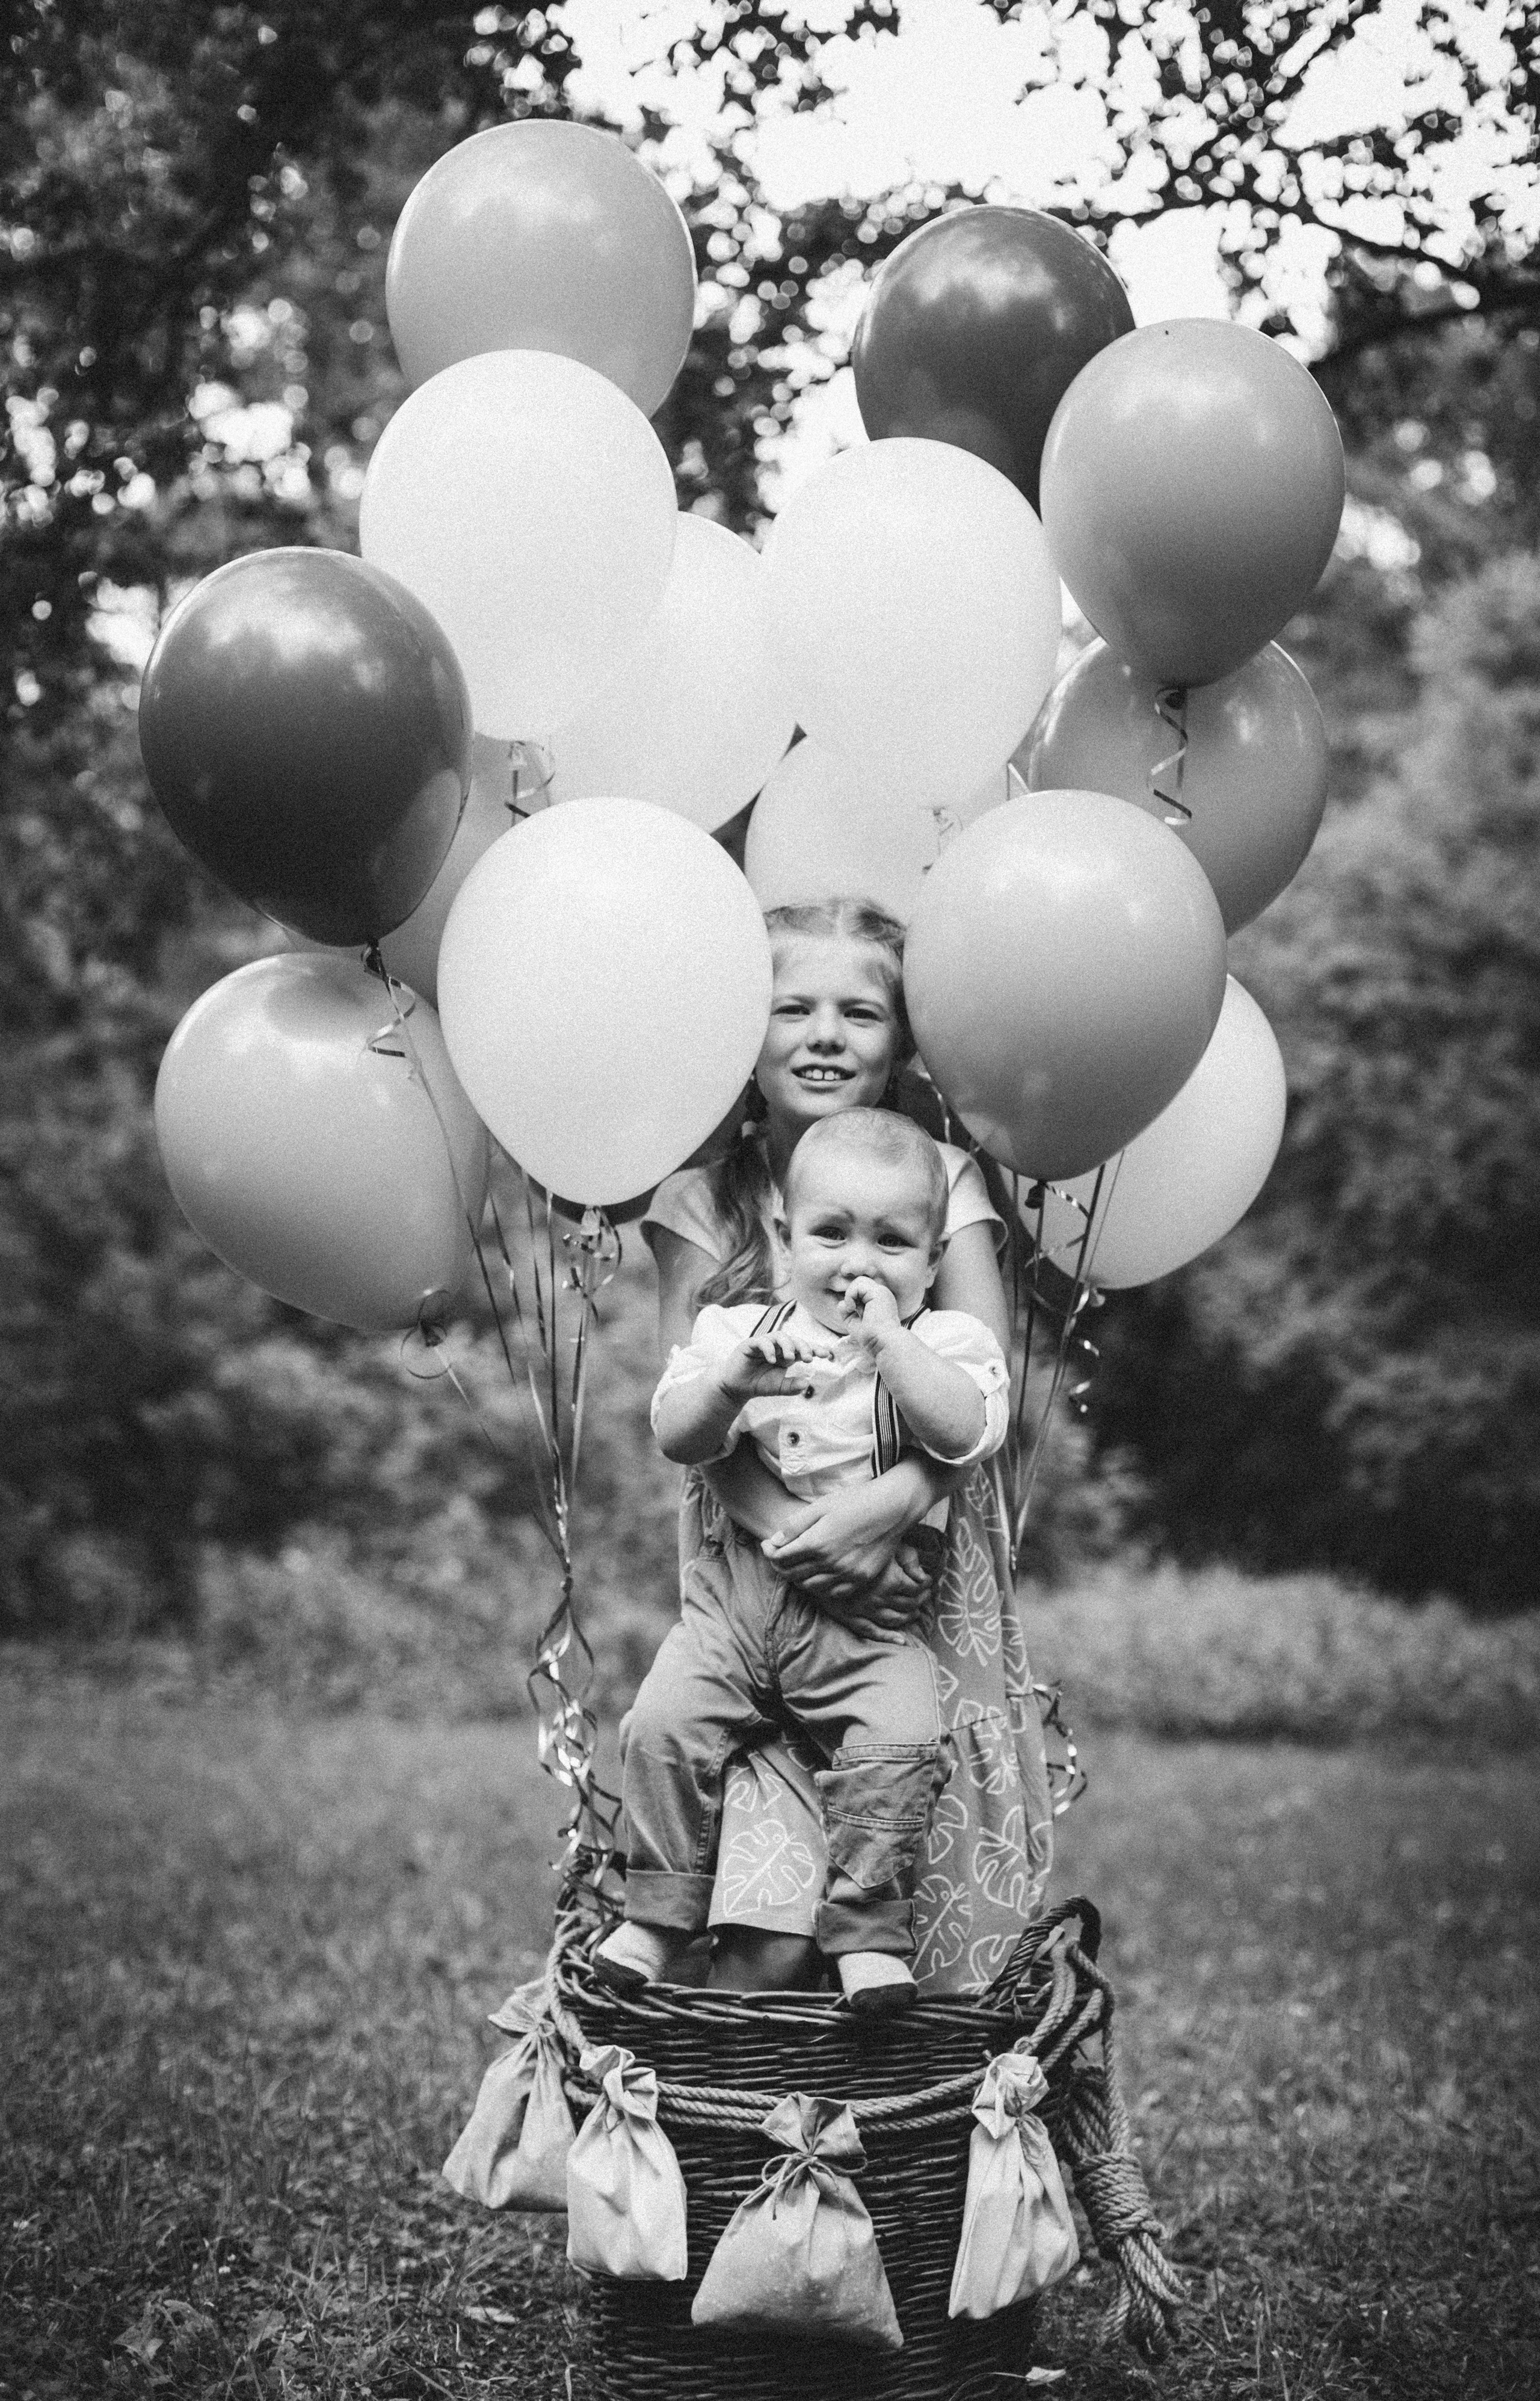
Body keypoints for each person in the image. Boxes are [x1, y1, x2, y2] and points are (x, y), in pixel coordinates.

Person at [637, 897, 1054, 1997]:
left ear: (904, 1040)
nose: (825, 1034)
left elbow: (980, 1388)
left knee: (905, 1816)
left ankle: (910, 2124)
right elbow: (686, 1409)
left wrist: (886, 1511)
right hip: (751, 1562)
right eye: (792, 1007)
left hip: (916, 1558)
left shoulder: (946, 1180)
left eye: (861, 1011)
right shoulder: (702, 1200)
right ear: (748, 1030)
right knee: (754, 1880)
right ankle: (732, 2107)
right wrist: (791, 1534)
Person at [597, 1110, 1011, 2014]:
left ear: (934, 1259)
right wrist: (732, 1383)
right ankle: (659, 1915)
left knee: (903, 1746)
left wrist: (893, 1342)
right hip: (737, 1602)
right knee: (660, 1725)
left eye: (892, 1242)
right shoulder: (739, 1331)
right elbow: (676, 1435)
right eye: (832, 1234)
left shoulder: (944, 1344)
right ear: (784, 1243)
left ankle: (867, 1933)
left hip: (867, 1624)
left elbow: (967, 1430)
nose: (860, 1263)